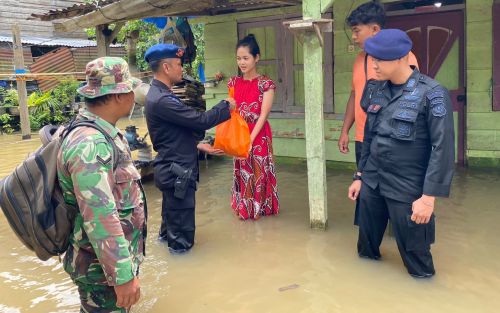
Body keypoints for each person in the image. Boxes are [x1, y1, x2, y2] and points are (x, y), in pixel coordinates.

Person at [347, 29, 455, 278]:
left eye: (380, 59)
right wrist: (360, 175)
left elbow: (443, 149)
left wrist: (428, 198)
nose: (373, 65)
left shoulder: (433, 94)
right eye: (372, 58)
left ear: (402, 58)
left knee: (417, 260)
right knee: (366, 250)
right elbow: (370, 136)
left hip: (407, 187)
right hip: (373, 181)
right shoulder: (374, 90)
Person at [57, 57, 145, 312]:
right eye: (130, 89)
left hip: (105, 266)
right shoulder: (90, 143)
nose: (133, 95)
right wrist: (122, 276)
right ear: (118, 95)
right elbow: (99, 215)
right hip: (102, 272)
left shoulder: (103, 132)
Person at [144, 43, 235, 254]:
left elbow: (173, 132)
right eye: (178, 64)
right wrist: (225, 106)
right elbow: (200, 120)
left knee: (170, 228)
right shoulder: (162, 99)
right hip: (178, 173)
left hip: (172, 170)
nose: (181, 69)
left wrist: (197, 145)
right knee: (181, 242)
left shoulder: (159, 94)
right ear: (166, 68)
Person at [339, 1, 419, 225]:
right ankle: (370, 239)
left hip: (392, 138)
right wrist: (345, 130)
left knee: (396, 195)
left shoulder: (404, 56)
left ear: (375, 29)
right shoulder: (359, 60)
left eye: (357, 31)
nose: (354, 37)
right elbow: (355, 96)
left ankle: (399, 233)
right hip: (364, 137)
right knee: (365, 191)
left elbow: (412, 98)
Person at [227, 34, 280, 220]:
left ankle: (260, 208)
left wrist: (250, 140)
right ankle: (244, 207)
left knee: (258, 172)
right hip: (240, 135)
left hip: (258, 136)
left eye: (246, 58)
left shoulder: (266, 84)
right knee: (242, 171)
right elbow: (233, 112)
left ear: (256, 58)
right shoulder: (233, 82)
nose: (242, 62)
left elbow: (263, 115)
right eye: (239, 58)